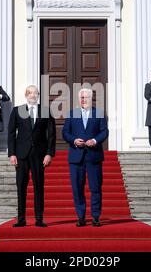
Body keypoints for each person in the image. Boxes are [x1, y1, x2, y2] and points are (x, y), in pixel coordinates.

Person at [8, 86, 56, 228]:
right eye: (30, 93)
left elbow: (52, 134)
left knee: (38, 186)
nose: (33, 95)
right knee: (21, 187)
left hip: (39, 155)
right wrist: (12, 153)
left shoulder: (45, 110)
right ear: (26, 95)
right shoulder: (18, 110)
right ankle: (21, 219)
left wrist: (49, 153)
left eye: (35, 93)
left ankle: (39, 219)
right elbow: (11, 133)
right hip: (21, 154)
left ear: (38, 95)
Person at [62, 89, 109, 227]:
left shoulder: (99, 113)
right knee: (77, 188)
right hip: (76, 156)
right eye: (81, 97)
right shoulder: (72, 114)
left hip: (94, 156)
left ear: (91, 98)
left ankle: (95, 216)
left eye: (86, 97)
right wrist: (74, 140)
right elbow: (65, 132)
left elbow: (104, 131)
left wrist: (95, 140)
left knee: (95, 188)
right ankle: (81, 217)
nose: (83, 99)